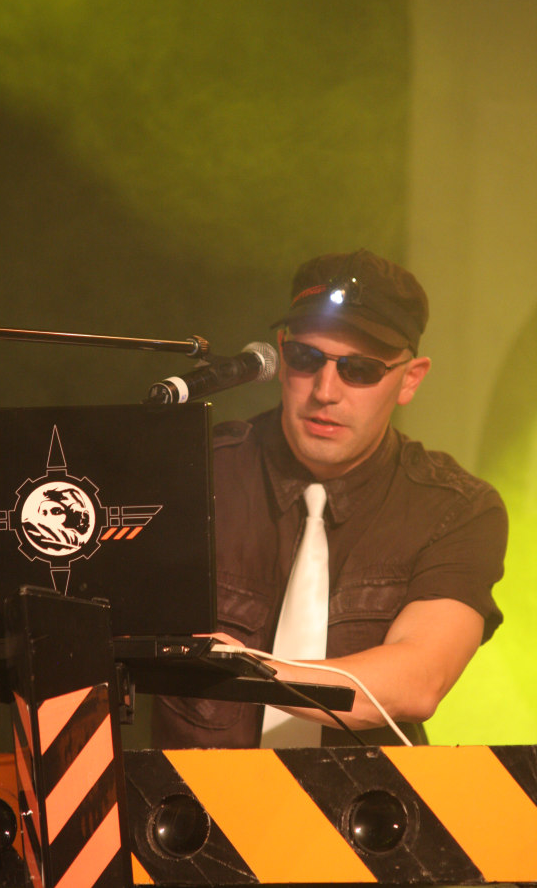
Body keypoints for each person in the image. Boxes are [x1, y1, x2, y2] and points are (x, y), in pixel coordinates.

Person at [151, 249, 508, 748]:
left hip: (366, 799)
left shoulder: (456, 509)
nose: (325, 391)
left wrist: (241, 668)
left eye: (359, 369)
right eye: (306, 358)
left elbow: (419, 680)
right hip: (185, 797)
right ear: (280, 354)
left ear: (410, 379)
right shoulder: (190, 476)